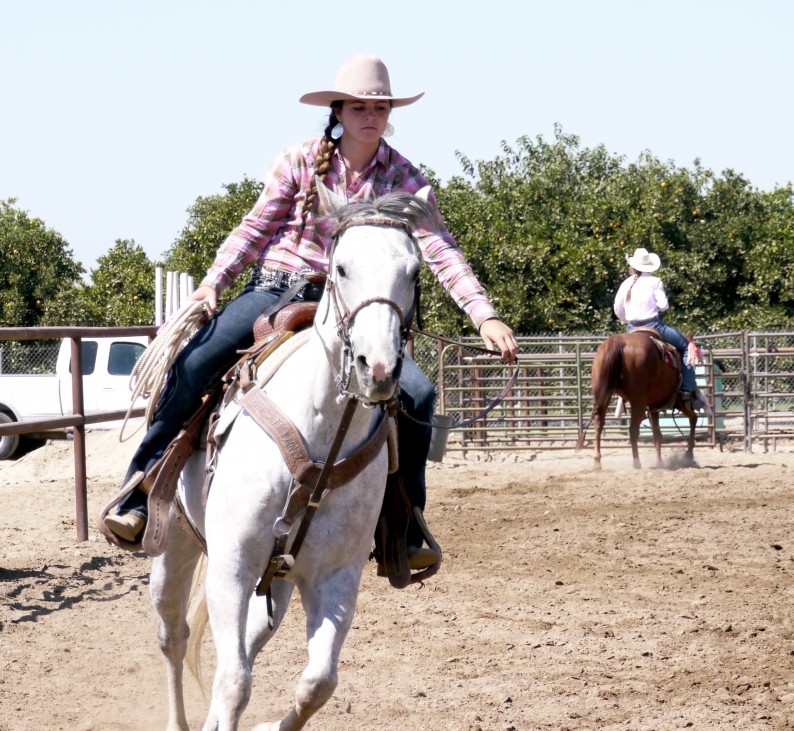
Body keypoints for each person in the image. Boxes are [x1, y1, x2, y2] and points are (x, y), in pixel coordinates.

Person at [102, 55, 519, 570]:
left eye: (381, 106)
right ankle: (141, 490)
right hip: (277, 287)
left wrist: (485, 315)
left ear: (390, 114)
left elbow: (440, 249)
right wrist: (213, 285)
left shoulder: (406, 178)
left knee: (419, 394)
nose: (371, 115)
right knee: (195, 362)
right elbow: (253, 230)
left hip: (355, 306)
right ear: (338, 111)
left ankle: (403, 525)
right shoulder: (299, 159)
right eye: (360, 106)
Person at [613, 247, 706, 408]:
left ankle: (622, 390)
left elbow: (617, 309)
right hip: (653, 325)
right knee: (686, 347)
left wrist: (625, 320)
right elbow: (663, 306)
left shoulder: (626, 283)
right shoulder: (655, 281)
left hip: (631, 328)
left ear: (633, 265)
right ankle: (687, 389)